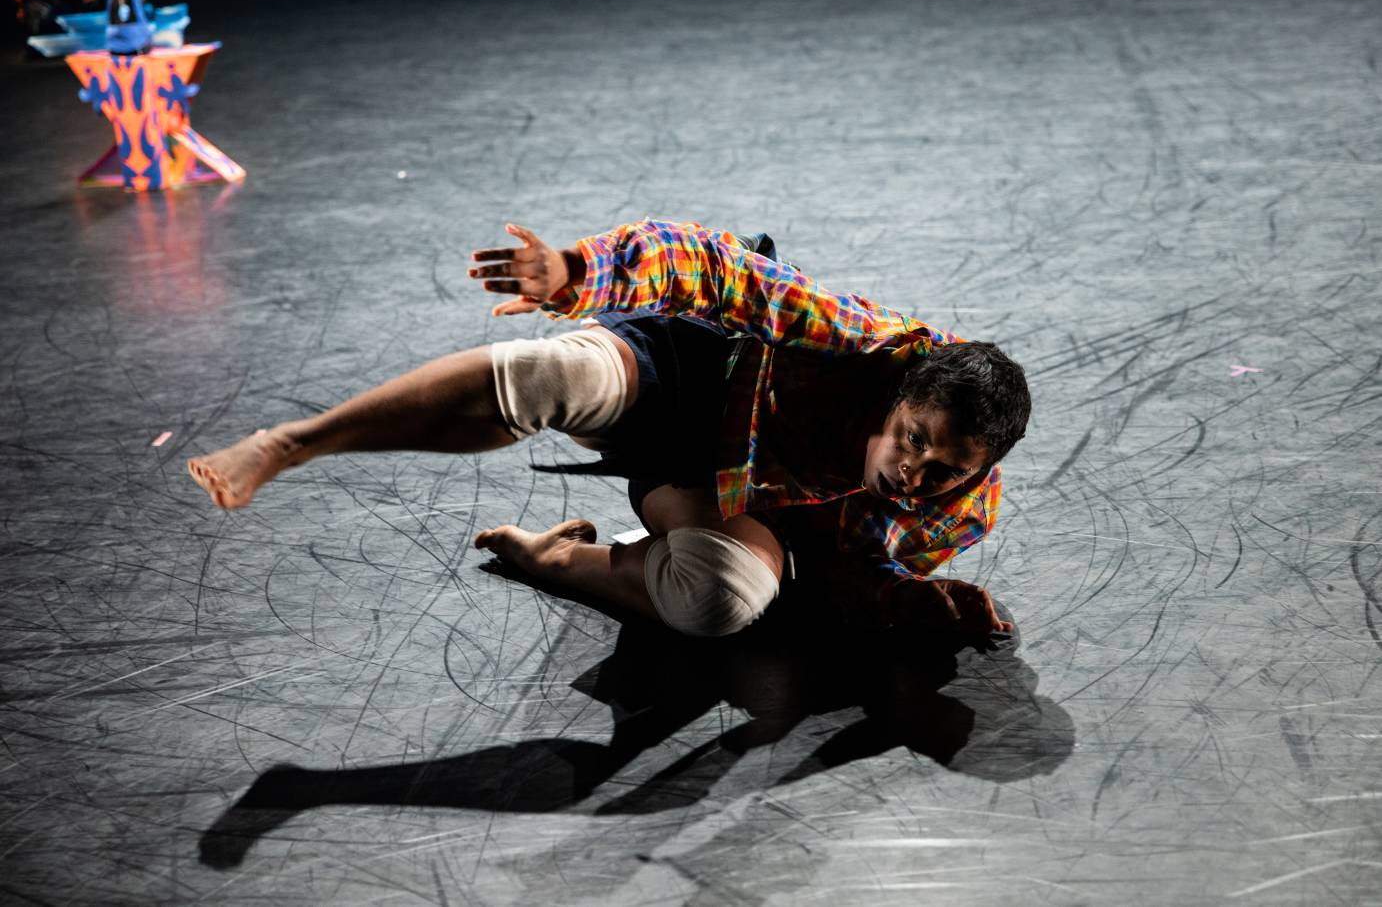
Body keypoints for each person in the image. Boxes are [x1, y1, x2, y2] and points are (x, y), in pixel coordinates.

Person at [187, 219, 1030, 641]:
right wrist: (579, 273)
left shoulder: (954, 515)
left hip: (724, 489)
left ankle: (553, 554)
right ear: (904, 395)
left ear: (980, 472)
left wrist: (913, 604)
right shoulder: (862, 341)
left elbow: (840, 574)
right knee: (557, 376)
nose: (912, 471)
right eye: (912, 438)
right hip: (696, 377)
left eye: (943, 469)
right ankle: (294, 442)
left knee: (723, 603)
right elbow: (717, 267)